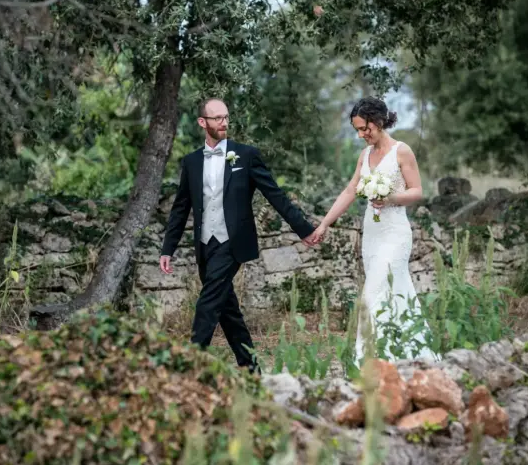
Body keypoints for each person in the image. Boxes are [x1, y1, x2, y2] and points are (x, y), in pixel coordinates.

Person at [159, 98, 317, 373]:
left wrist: (303, 228)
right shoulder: (192, 162)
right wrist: (167, 248)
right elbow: (181, 207)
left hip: (233, 241)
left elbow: (274, 194)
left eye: (226, 117)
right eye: (217, 118)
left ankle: (188, 367)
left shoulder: (246, 155)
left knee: (208, 302)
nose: (224, 123)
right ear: (202, 123)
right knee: (227, 309)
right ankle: (252, 367)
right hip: (204, 242)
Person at [310, 96, 434, 364]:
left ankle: (367, 363)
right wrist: (324, 223)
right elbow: (349, 190)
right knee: (397, 294)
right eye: (357, 130)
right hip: (373, 235)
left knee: (372, 294)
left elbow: (417, 191)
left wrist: (390, 197)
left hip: (396, 233)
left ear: (378, 121)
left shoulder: (402, 151)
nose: (361, 135)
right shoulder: (364, 156)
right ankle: (409, 360)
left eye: (364, 128)